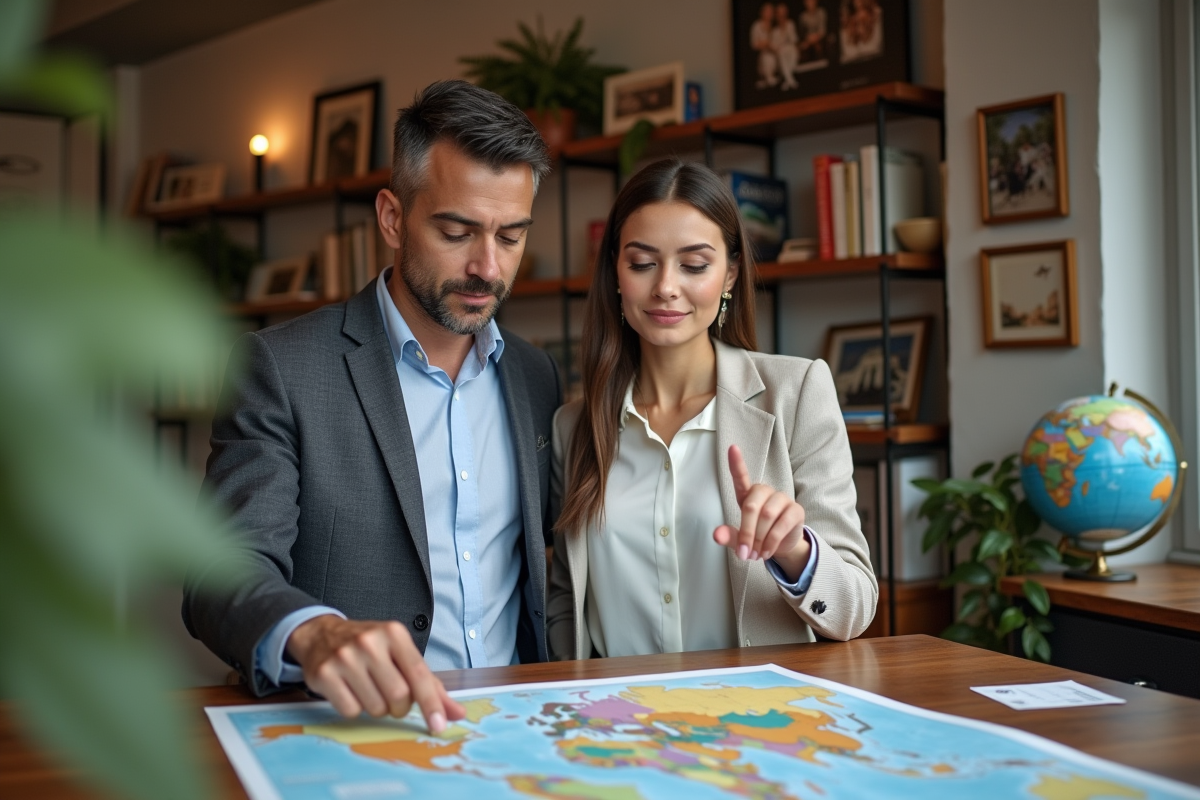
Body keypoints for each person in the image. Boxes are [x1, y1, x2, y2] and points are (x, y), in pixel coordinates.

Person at [183, 80, 559, 733]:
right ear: (392, 217)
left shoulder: (535, 374)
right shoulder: (281, 367)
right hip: (358, 737)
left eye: (511, 236)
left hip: (517, 734)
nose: (487, 268)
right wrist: (315, 633)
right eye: (457, 230)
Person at [547, 160, 877, 661]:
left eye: (694, 265)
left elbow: (854, 608)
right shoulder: (573, 428)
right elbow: (565, 599)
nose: (666, 287)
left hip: (758, 720)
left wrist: (794, 551)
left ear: (730, 273)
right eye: (642, 263)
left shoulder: (796, 392)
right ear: (615, 271)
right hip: (617, 724)